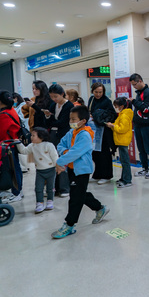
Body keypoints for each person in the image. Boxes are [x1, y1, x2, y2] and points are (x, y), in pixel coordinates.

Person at [52, 106, 109, 239]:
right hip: (72, 168)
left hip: (82, 170)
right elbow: (61, 145)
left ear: (83, 121)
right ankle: (100, 208)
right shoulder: (72, 132)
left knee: (75, 199)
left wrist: (60, 161)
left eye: (73, 119)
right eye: (70, 118)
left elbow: (76, 152)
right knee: (79, 193)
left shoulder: (85, 135)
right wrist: (66, 153)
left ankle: (69, 224)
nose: (70, 121)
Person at [0, 90, 24, 200]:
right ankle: (18, 191)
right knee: (15, 168)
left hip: (7, 146)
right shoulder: (11, 110)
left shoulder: (4, 115)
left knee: (13, 170)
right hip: (12, 144)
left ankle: (16, 193)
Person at [16, 127, 58, 214]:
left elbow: (55, 157)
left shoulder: (49, 145)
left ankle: (50, 201)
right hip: (39, 171)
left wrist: (58, 166)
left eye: (33, 135)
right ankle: (39, 203)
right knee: (38, 188)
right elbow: (24, 151)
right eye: (31, 135)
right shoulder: (32, 146)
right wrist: (18, 143)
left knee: (50, 187)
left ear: (41, 137)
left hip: (51, 170)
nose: (31, 137)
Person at [46, 84, 74, 196]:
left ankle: (64, 188)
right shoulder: (53, 105)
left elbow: (63, 123)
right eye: (52, 97)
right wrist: (48, 117)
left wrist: (51, 121)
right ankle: (55, 187)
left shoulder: (69, 106)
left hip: (64, 135)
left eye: (56, 96)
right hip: (53, 135)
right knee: (54, 160)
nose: (54, 99)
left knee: (63, 160)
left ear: (62, 94)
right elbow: (48, 122)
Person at [88, 82, 117, 184]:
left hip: (104, 131)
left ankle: (106, 175)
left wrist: (100, 117)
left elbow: (113, 115)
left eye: (100, 92)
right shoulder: (91, 100)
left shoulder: (107, 101)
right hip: (94, 130)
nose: (98, 94)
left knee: (104, 153)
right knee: (95, 153)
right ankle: (97, 174)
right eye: (96, 92)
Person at [130, 74, 149, 179]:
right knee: (141, 148)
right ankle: (144, 168)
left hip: (145, 124)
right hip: (137, 123)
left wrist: (134, 102)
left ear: (140, 81)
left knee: (148, 147)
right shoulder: (139, 93)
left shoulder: (148, 93)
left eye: (135, 84)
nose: (134, 87)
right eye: (132, 85)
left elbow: (146, 109)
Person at [107, 97, 134, 188]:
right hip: (121, 140)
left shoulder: (124, 115)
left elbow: (122, 129)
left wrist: (112, 126)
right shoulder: (123, 114)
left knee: (125, 162)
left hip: (123, 141)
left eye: (116, 106)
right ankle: (124, 178)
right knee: (123, 161)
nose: (116, 108)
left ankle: (127, 180)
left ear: (122, 106)